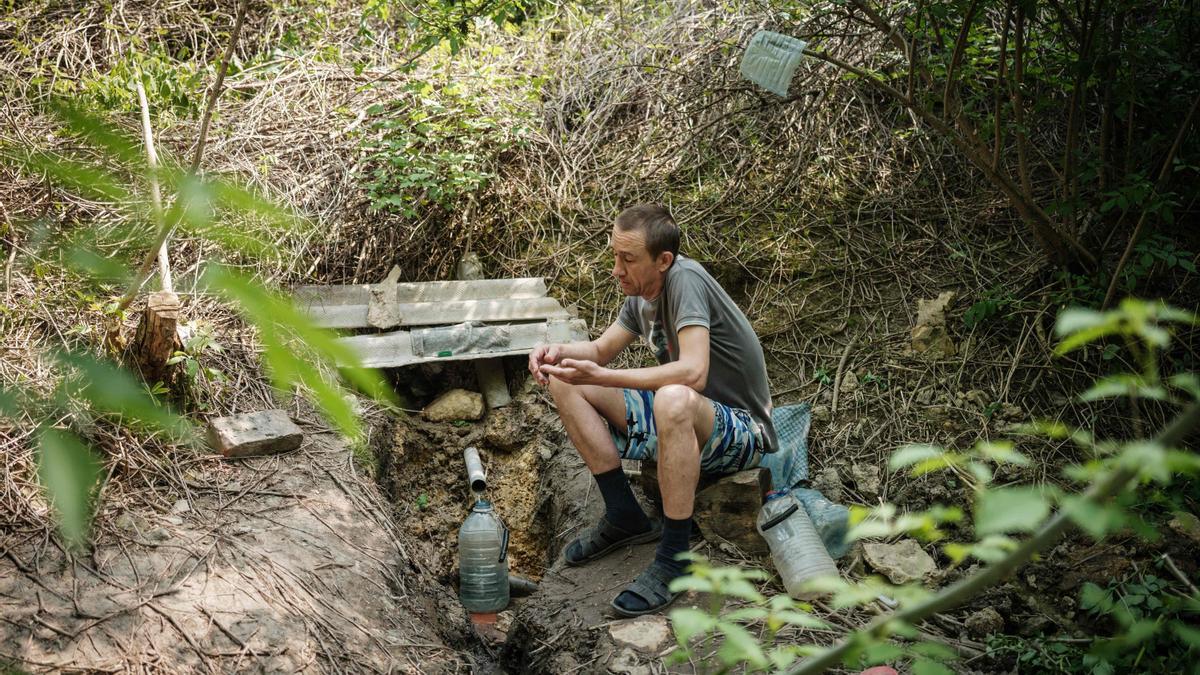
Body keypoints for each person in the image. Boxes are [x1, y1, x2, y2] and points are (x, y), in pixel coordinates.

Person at [529, 203, 777, 616]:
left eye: (627, 259)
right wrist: (554, 352)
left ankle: (674, 557)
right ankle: (624, 515)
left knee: (673, 395)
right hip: (688, 418)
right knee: (563, 377)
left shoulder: (686, 279)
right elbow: (599, 351)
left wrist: (605, 377)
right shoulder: (641, 296)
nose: (616, 270)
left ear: (663, 260)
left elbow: (694, 373)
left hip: (741, 430)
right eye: (614, 256)